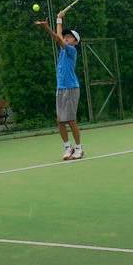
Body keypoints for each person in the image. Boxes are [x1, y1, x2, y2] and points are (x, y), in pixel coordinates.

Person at [35, 11, 83, 160]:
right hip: (61, 88)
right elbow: (59, 36)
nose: (66, 37)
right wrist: (58, 19)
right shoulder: (63, 50)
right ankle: (68, 148)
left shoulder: (71, 50)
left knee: (71, 120)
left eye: (70, 37)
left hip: (71, 88)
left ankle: (79, 149)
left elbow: (57, 37)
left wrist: (46, 27)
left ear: (75, 42)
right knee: (60, 120)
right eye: (66, 36)